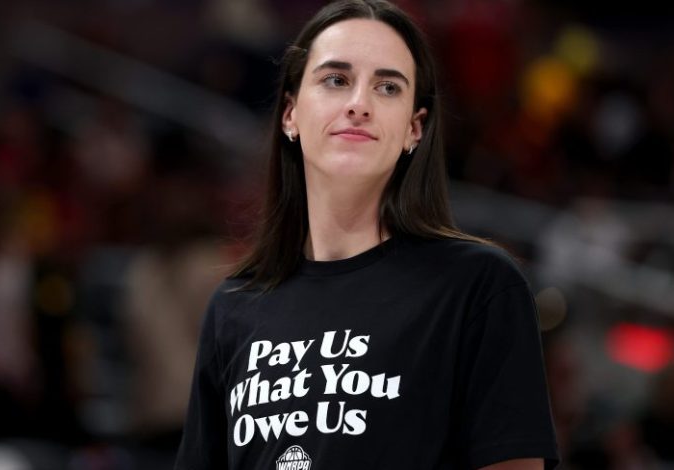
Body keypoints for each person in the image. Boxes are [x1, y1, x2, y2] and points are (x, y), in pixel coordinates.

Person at [174, 1, 559, 469]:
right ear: (290, 114)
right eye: (336, 80)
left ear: (414, 129)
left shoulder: (477, 287)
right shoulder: (235, 304)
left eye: (388, 87)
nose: (358, 104)